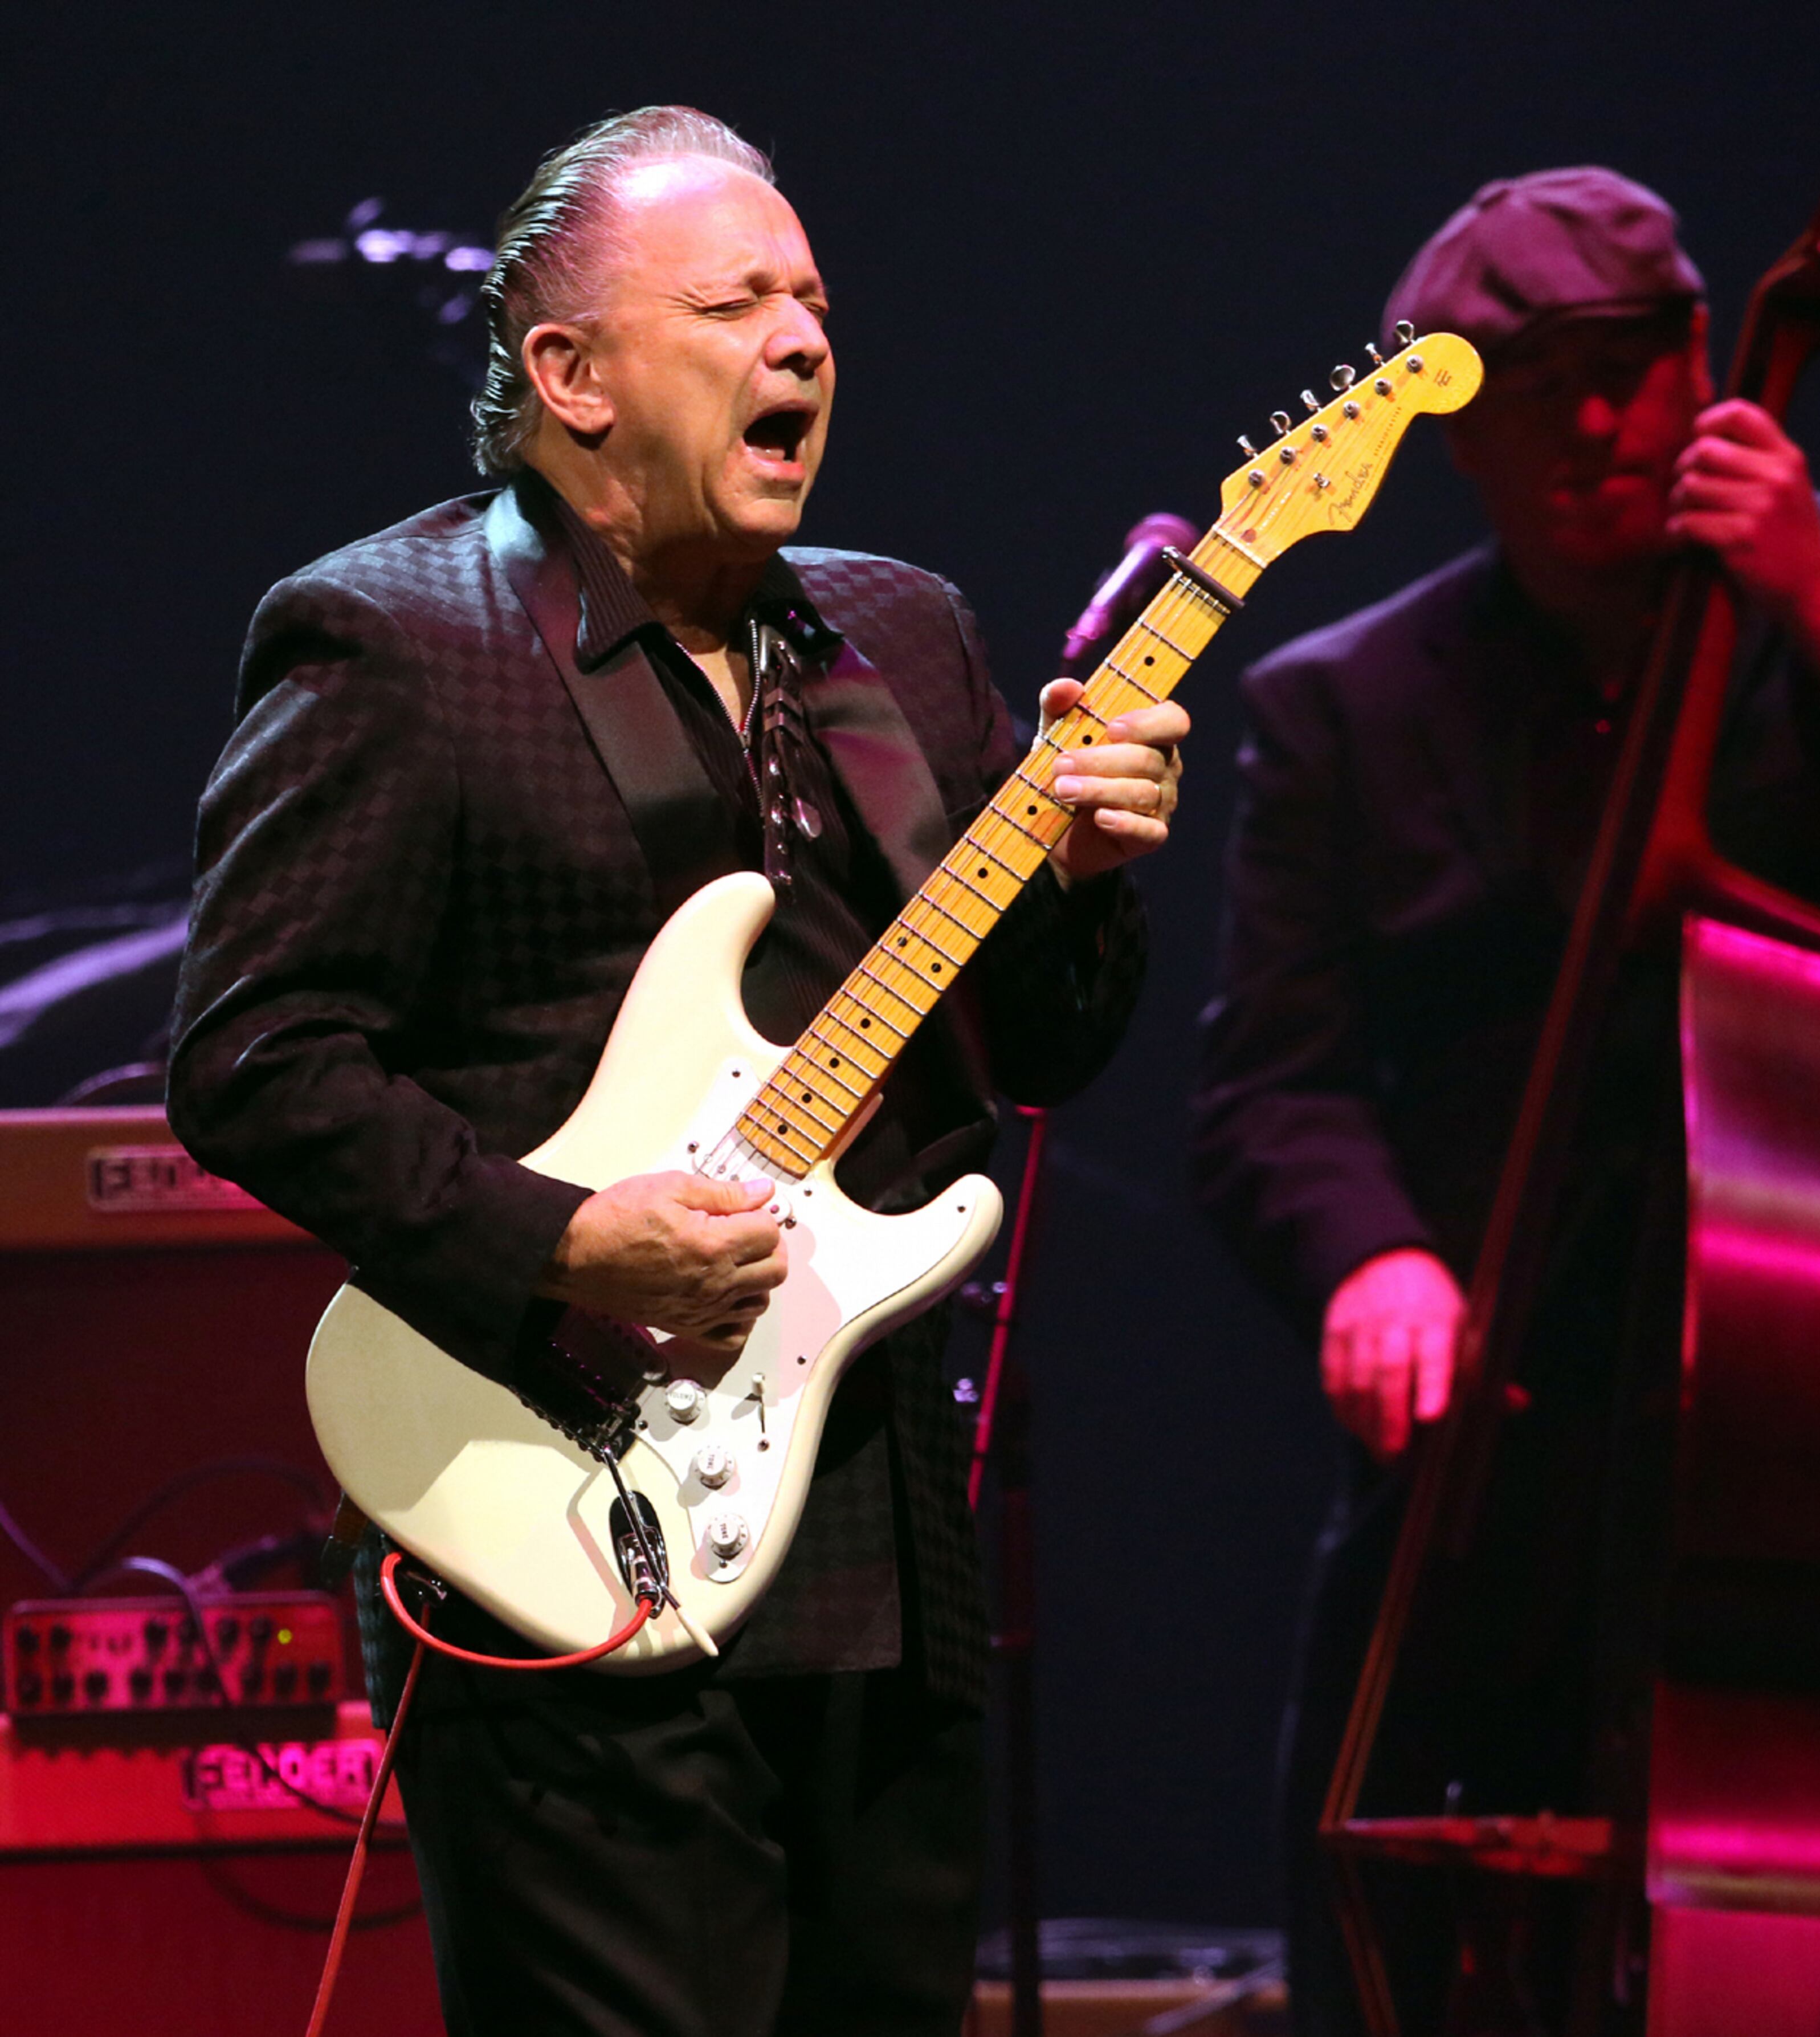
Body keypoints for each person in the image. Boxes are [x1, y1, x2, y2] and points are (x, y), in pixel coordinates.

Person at [168, 107, 1189, 2037]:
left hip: (881, 1540)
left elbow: (1048, 1050)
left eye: (815, 304)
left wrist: (1077, 883)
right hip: (557, 1517)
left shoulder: (900, 636)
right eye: (734, 305)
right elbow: (252, 1056)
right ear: (571, 375)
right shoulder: (397, 638)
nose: (801, 341)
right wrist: (565, 1241)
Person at [1189, 166, 1820, 2034]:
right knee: (1385, 1925)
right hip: (1495, 1445)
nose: (1592, 424)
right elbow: (1273, 1078)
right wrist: (1373, 1261)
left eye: (1623, 370)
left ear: (1702, 355)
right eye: (1529, 393)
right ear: (1449, 433)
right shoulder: (1345, 703)